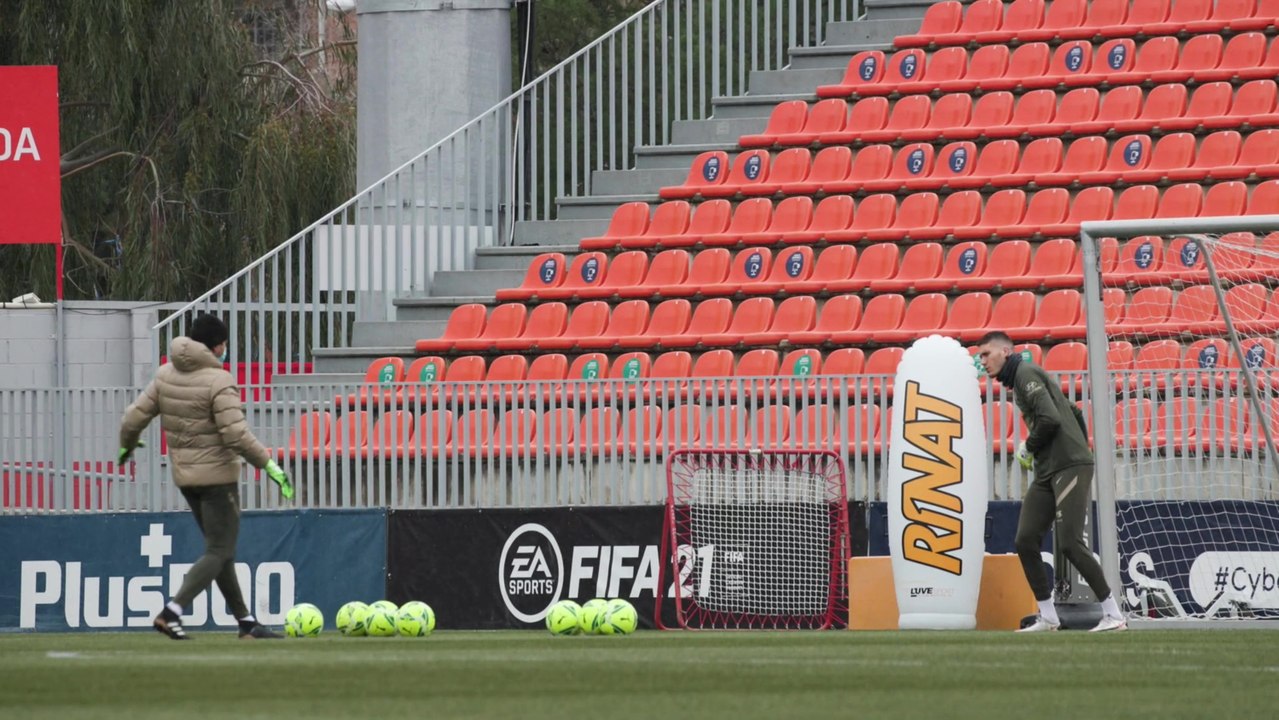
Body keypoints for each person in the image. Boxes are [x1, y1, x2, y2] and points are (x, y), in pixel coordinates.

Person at [118, 314, 294, 640]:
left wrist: (126, 447)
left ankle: (246, 623)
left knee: (220, 551)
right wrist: (270, 465)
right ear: (217, 346)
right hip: (218, 480)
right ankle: (172, 612)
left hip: (186, 479)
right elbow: (236, 436)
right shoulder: (219, 380)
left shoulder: (165, 375)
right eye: (224, 345)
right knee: (219, 550)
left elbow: (133, 418)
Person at [976, 331, 1127, 633]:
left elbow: (1050, 419)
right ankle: (1049, 617)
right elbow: (1071, 410)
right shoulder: (1022, 378)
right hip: (1049, 469)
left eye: (986, 354)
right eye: (979, 356)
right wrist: (1077, 444)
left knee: (1070, 542)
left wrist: (1034, 447)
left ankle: (1114, 615)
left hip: (1067, 466)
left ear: (1006, 351)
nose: (982, 361)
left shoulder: (1025, 373)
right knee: (1025, 539)